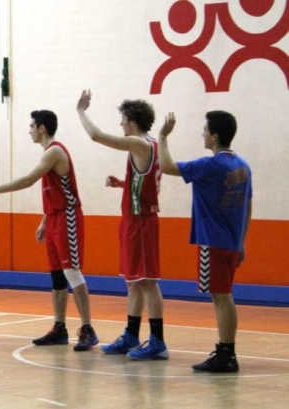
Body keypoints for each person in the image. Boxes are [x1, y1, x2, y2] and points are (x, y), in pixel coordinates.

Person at [0, 110, 98, 351]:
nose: (29, 130)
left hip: (68, 217)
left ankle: (88, 329)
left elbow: (29, 180)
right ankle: (60, 328)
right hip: (54, 217)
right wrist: (44, 221)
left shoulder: (54, 151)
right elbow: (57, 192)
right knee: (57, 276)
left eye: (31, 126)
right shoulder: (48, 153)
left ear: (42, 128)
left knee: (72, 272)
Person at [76, 90, 169, 360]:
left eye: (123, 120)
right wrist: (122, 184)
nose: (120, 124)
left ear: (133, 121)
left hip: (141, 222)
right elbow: (147, 183)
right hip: (134, 220)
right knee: (133, 282)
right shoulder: (149, 145)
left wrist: (81, 111)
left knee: (147, 282)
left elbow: (96, 136)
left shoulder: (140, 144)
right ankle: (131, 335)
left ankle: (158, 341)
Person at [158, 111, 251, 372]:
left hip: (213, 240)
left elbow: (166, 166)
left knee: (221, 297)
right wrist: (241, 241)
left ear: (215, 136)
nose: (202, 133)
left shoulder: (210, 166)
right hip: (231, 241)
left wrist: (163, 136)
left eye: (205, 129)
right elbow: (248, 205)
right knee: (224, 295)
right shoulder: (242, 166)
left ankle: (226, 354)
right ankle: (226, 351)